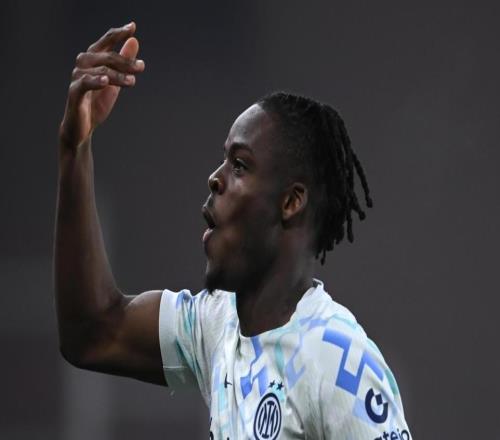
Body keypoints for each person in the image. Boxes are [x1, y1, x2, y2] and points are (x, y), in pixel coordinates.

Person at [55, 22, 412, 439]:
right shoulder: (217, 324)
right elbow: (92, 332)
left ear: (291, 202)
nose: (215, 178)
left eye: (240, 165)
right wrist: (75, 147)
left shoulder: (337, 361)